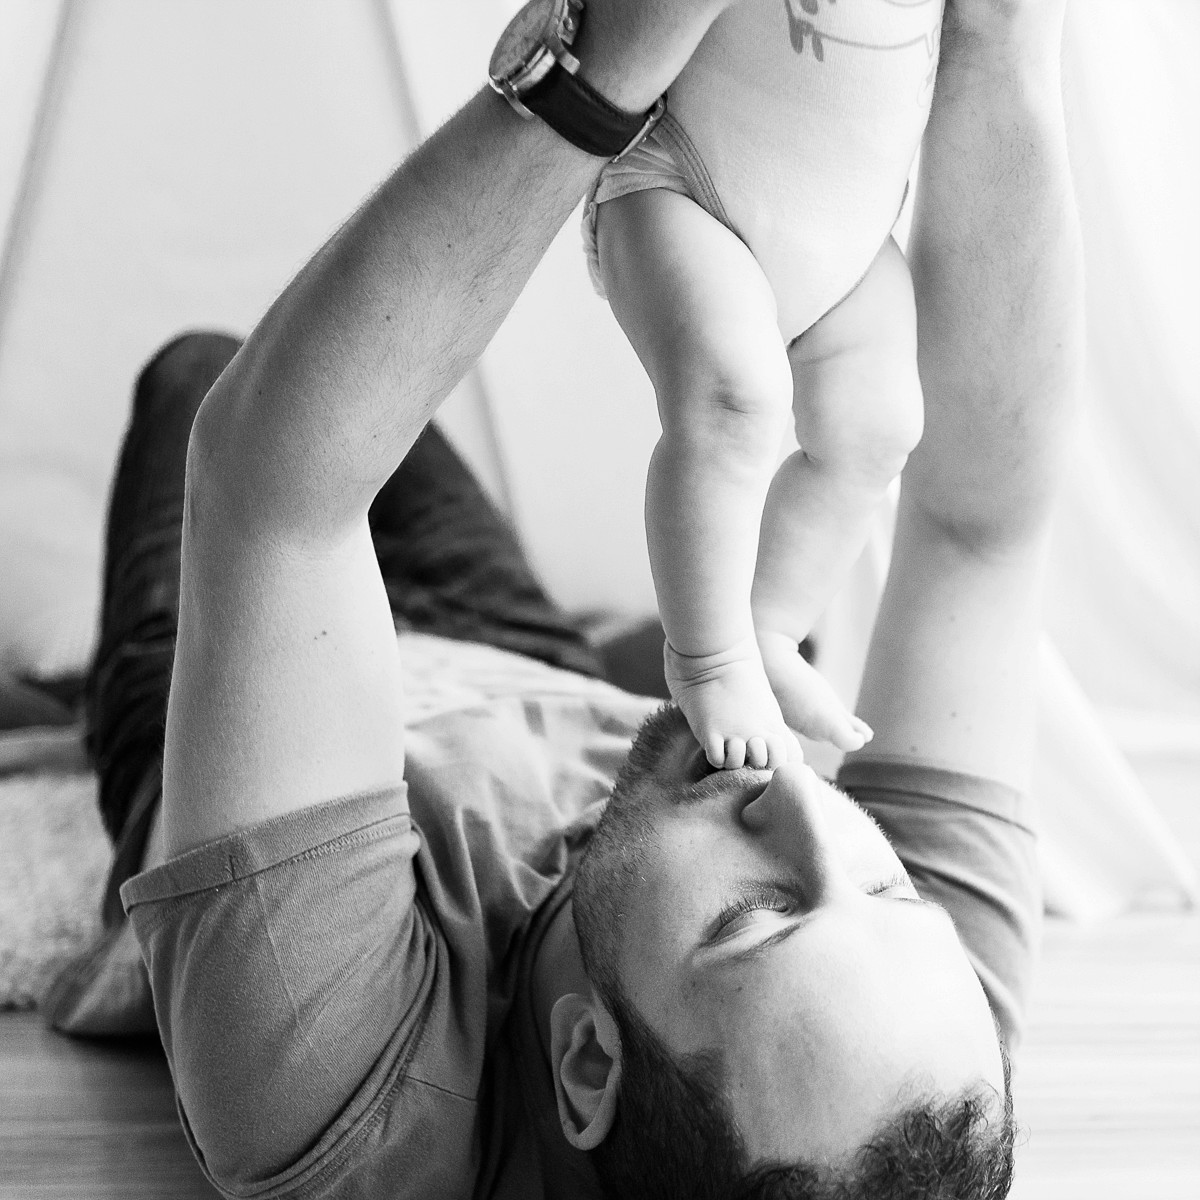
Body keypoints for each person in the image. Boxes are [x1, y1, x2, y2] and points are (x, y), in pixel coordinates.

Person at [96, 0, 1081, 1195]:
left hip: (257, 743)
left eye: (760, 914)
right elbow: (978, 529)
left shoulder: (344, 1105)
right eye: (886, 885)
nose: (803, 797)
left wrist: (604, 71)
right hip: (537, 682)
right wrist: (1003, 32)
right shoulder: (922, 1059)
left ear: (584, 1067)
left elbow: (273, 493)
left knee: (208, 370)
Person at [587, 0, 941, 770]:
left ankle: (769, 627)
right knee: (734, 398)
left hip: (850, 234)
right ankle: (710, 657)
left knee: (878, 429)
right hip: (684, 179)